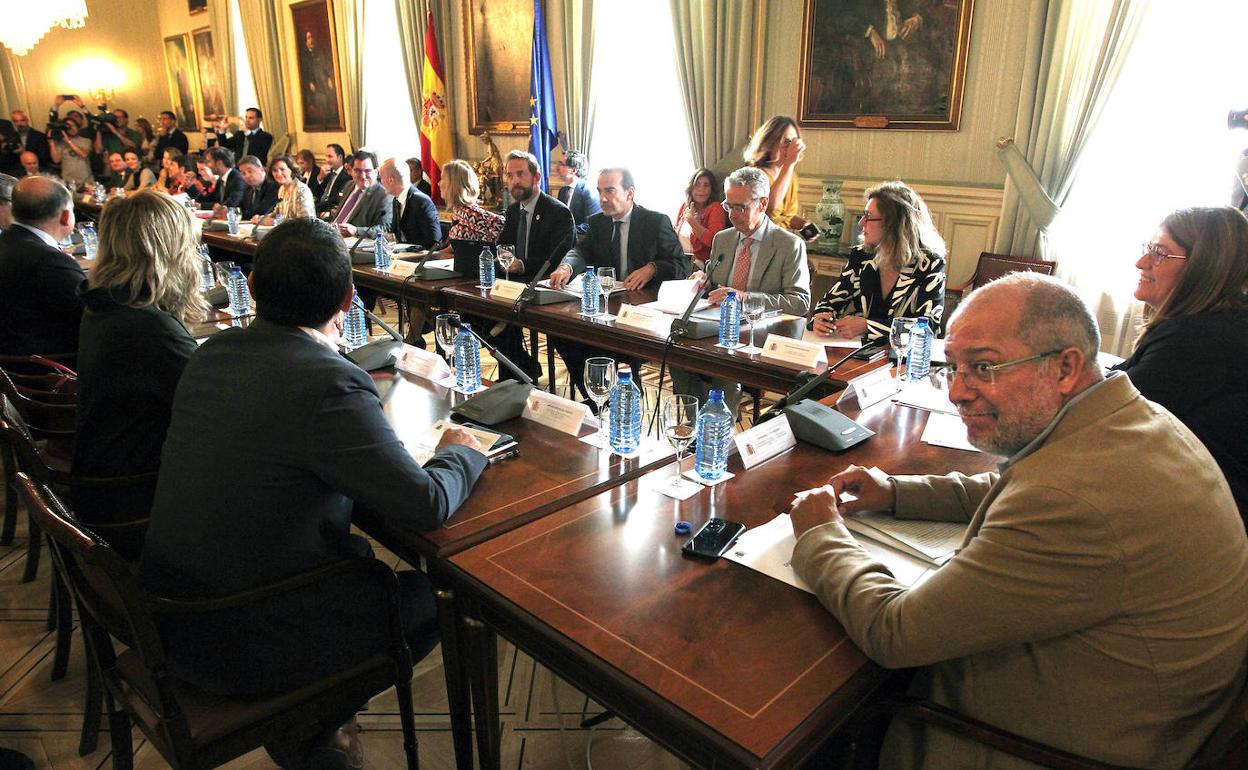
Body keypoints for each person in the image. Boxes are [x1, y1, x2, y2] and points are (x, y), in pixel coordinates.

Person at [789, 272, 1248, 769]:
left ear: (1065, 368)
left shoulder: (1071, 500)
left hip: (1041, 742)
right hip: (1141, 705)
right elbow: (1017, 488)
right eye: (955, 368)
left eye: (984, 368)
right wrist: (897, 491)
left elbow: (895, 632)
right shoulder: (1132, 418)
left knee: (801, 720)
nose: (957, 393)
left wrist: (819, 533)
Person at [138, 216, 487, 767]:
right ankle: (315, 721)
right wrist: (464, 449)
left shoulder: (210, 353)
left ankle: (314, 728)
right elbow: (425, 504)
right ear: (350, 298)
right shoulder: (328, 379)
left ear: (251, 287)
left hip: (167, 607)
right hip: (242, 628)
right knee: (432, 599)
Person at [71, 191, 209, 560]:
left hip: (103, 484)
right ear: (168, 251)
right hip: (135, 503)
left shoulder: (104, 303)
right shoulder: (147, 328)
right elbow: (215, 407)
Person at [1113, 206, 1248, 521]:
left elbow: (1107, 412)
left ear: (1205, 267)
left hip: (1211, 519)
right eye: (1148, 248)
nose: (1141, 262)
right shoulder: (1219, 323)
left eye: (1160, 253)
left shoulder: (1196, 338)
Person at [671, 167, 811, 413]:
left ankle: (717, 430)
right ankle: (699, 423)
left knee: (726, 364)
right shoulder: (722, 239)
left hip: (759, 333)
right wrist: (702, 279)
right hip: (717, 326)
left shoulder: (789, 245)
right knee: (677, 352)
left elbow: (799, 302)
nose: (733, 215)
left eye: (740, 207)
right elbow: (715, 287)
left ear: (763, 203)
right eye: (728, 206)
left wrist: (744, 298)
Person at [548, 167, 688, 398]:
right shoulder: (598, 223)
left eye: (610, 191)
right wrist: (567, 266)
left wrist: (653, 268)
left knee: (605, 345)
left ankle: (621, 397)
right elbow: (581, 251)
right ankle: (597, 397)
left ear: (630, 193)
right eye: (600, 191)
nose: (603, 198)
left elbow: (681, 265)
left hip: (643, 313)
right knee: (562, 333)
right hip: (607, 308)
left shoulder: (654, 222)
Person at [810, 180, 946, 344]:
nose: (861, 223)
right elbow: (830, 302)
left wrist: (869, 326)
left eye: (868, 217)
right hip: (857, 351)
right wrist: (821, 319)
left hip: (902, 358)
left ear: (893, 223)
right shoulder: (861, 256)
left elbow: (929, 327)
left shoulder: (930, 264)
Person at [487, 150, 576, 378]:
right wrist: (499, 259)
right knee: (471, 313)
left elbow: (557, 258)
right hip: (512, 286)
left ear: (536, 178)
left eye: (520, 174)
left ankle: (516, 374)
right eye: (510, 175)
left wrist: (522, 265)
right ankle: (521, 367)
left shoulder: (558, 212)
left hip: (544, 288)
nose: (514, 181)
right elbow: (503, 246)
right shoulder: (513, 211)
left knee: (503, 318)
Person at [0, 176, 84, 355]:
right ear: (66, 216)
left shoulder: (6, 242)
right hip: (46, 369)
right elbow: (92, 314)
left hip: (9, 366)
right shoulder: (51, 261)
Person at [744, 116, 807, 230]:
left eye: (794, 142)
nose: (791, 148)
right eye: (787, 142)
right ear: (769, 143)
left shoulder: (791, 176)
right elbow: (770, 207)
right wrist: (789, 164)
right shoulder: (755, 175)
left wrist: (804, 225)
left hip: (782, 240)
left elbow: (785, 217)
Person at [327, 150, 391, 238]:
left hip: (350, 243)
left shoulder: (384, 195)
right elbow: (338, 216)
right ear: (351, 171)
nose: (363, 176)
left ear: (376, 172)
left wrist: (356, 231)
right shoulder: (349, 185)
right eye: (358, 171)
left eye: (367, 171)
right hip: (331, 234)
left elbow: (384, 229)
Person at [379, 158, 440, 247]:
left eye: (381, 177)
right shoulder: (396, 200)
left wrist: (405, 247)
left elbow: (434, 242)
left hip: (420, 258)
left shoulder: (421, 201)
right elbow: (397, 235)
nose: (380, 181)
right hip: (401, 256)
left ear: (390, 180)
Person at [440, 159, 504, 244]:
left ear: (454, 184)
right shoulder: (459, 211)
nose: (439, 183)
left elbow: (501, 226)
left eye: (442, 179)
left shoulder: (472, 214)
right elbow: (454, 249)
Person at [673, 167, 727, 267]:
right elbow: (674, 236)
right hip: (679, 260)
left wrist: (692, 222)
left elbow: (715, 242)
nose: (701, 189)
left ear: (711, 189)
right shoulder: (684, 206)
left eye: (706, 185)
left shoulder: (715, 208)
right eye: (697, 185)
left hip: (700, 264)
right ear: (691, 188)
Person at [551, 150, 600, 234]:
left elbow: (591, 224)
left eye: (562, 164)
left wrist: (565, 232)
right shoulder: (563, 191)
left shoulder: (588, 191)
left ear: (573, 170)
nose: (557, 167)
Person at [207, 108, 273, 166]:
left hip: (255, 169)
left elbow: (256, 148)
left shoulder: (267, 137)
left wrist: (247, 133)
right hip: (238, 167)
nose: (247, 120)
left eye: (251, 118)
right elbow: (224, 145)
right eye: (246, 117)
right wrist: (222, 130)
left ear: (259, 120)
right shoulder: (240, 134)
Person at [263, 154, 316, 223]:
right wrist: (262, 218)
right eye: (275, 170)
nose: (279, 174)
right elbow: (277, 213)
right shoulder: (282, 189)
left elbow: (305, 221)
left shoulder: (301, 190)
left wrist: (275, 222)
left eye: (282, 169)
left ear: (291, 170)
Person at [47, 118, 93, 189]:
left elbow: (84, 154)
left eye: (73, 125)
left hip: (86, 180)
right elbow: (56, 160)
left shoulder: (86, 140)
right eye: (68, 126)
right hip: (68, 181)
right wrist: (51, 143)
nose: (71, 128)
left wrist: (68, 141)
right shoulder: (60, 143)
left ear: (78, 126)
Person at [233, 154, 278, 221]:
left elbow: (263, 212)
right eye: (243, 173)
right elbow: (239, 209)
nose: (247, 176)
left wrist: (240, 215)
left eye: (250, 171)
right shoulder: (247, 188)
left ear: (262, 169)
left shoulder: (273, 186)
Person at [312, 143, 351, 214]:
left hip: (328, 211)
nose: (327, 160)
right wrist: (320, 178)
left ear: (340, 157)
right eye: (326, 156)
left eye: (330, 156)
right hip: (318, 208)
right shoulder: (327, 172)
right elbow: (314, 192)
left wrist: (314, 207)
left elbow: (335, 200)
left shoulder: (347, 176)